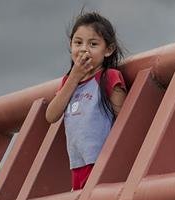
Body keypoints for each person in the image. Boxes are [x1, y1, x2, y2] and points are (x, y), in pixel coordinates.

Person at [44, 12, 128, 189]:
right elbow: (51, 115)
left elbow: (124, 120)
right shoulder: (68, 82)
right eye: (78, 43)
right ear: (70, 45)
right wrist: (74, 77)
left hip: (102, 162)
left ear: (108, 49)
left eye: (93, 44)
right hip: (77, 163)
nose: (84, 49)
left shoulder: (109, 77)